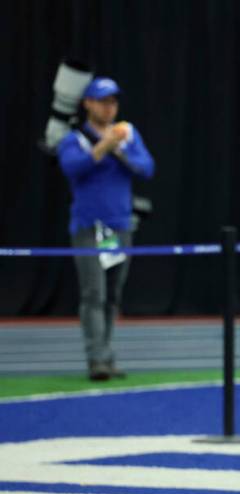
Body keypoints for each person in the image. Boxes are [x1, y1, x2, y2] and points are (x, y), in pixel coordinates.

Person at [57, 77, 155, 380]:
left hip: (119, 227)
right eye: (102, 101)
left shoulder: (127, 136)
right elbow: (73, 168)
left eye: (113, 102)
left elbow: (147, 169)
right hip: (89, 227)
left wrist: (119, 148)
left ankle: (108, 355)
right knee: (93, 293)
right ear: (88, 103)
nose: (109, 107)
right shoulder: (75, 139)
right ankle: (96, 358)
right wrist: (103, 147)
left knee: (112, 294)